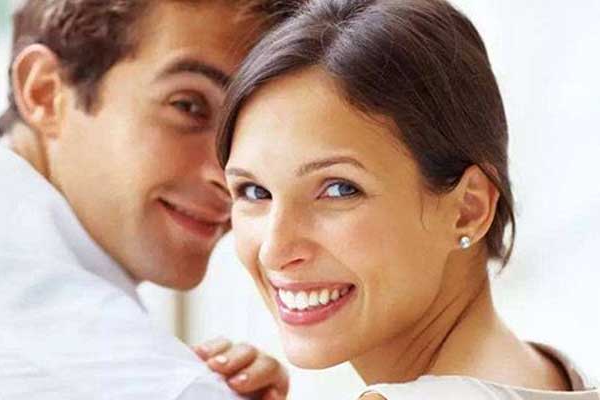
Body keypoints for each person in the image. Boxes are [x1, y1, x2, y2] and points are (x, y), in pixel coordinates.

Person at [0, 1, 292, 398]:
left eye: (248, 129)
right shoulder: (148, 380)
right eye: (189, 106)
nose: (229, 177)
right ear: (45, 92)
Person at [216, 0, 600, 399]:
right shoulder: (556, 378)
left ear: (468, 209)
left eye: (339, 189)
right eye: (253, 191)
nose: (275, 250)